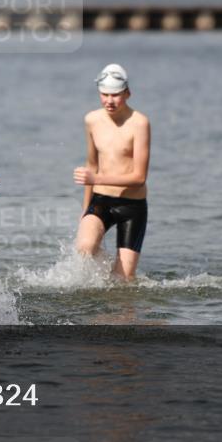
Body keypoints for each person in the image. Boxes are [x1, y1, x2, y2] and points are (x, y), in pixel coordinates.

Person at [73, 64, 150, 281]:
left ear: (127, 93)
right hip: (101, 200)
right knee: (84, 247)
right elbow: (92, 164)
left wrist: (95, 178)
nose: (109, 100)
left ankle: (117, 292)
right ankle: (99, 282)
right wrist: (84, 208)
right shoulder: (92, 120)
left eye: (115, 95)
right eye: (104, 94)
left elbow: (139, 178)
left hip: (132, 207)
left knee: (123, 279)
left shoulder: (140, 123)